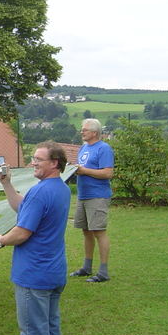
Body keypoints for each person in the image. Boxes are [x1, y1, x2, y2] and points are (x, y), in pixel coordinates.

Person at [0, 142, 71, 335]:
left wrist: (1, 240)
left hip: (34, 274)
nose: (33, 163)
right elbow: (21, 205)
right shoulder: (61, 189)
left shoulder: (40, 192)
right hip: (54, 271)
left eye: (38, 159)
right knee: (50, 326)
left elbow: (22, 232)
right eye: (33, 158)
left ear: (54, 163)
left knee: (33, 329)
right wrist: (7, 183)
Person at [70, 118, 114, 283]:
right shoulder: (83, 148)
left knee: (99, 232)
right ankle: (87, 267)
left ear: (95, 132)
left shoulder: (104, 148)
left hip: (97, 195)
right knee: (86, 231)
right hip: (83, 195)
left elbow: (108, 173)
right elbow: (82, 169)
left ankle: (103, 272)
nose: (81, 132)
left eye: (85, 130)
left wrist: (84, 171)